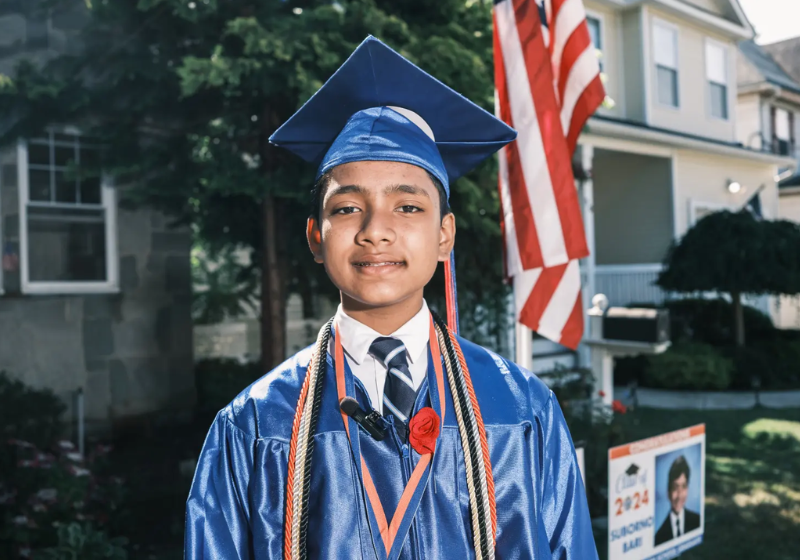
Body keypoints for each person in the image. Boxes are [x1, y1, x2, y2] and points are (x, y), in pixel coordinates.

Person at [184, 36, 597, 560]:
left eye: (407, 207)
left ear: (445, 234)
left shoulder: (522, 410)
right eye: (346, 209)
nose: (375, 231)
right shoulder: (254, 426)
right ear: (315, 237)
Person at [655, 455, 701, 546]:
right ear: (668, 492)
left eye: (683, 487)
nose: (679, 495)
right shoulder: (659, 537)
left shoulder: (697, 521)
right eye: (675, 488)